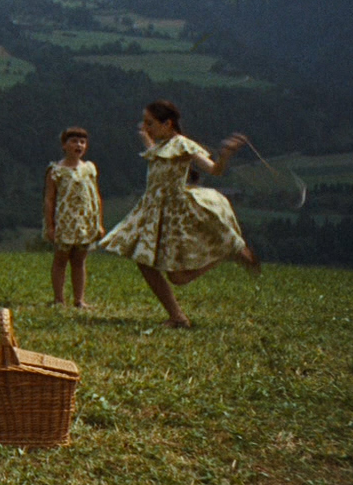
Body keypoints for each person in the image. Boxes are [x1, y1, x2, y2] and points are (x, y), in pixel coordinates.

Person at [97, 100, 259, 327]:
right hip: (153, 210)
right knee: (145, 261)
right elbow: (154, 152)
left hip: (175, 214)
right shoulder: (159, 145)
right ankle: (177, 316)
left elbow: (214, 169)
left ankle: (227, 252)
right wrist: (145, 136)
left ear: (167, 124)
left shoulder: (183, 144)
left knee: (178, 277)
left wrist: (226, 154)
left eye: (150, 123)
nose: (145, 127)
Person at [44, 126, 103, 308]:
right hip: (64, 221)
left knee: (79, 261)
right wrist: (50, 225)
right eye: (74, 141)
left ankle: (79, 299)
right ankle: (59, 299)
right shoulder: (56, 170)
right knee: (61, 260)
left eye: (82, 142)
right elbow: (49, 199)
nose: (79, 145)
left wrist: (98, 223)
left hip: (84, 221)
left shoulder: (89, 169)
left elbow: (95, 196)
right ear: (64, 145)